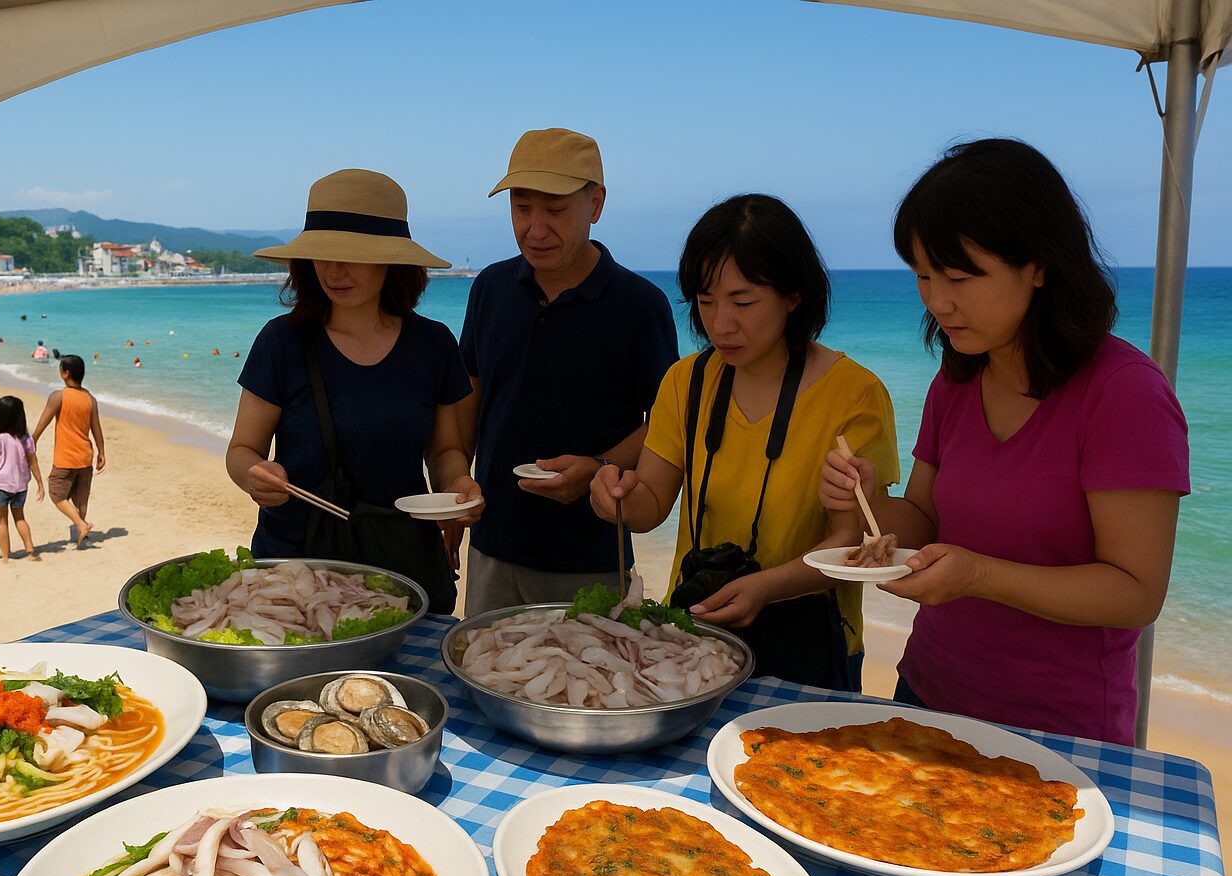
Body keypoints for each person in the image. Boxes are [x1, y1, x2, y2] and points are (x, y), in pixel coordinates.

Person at [820, 139, 1190, 744]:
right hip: (928, 693)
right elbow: (920, 520)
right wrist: (862, 500)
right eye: (923, 276)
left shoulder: (1125, 395)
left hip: (1061, 729)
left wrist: (979, 576)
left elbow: (1135, 592)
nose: (939, 302)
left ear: (1039, 265)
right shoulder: (959, 378)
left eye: (962, 277)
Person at [590, 195, 898, 689]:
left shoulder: (855, 394)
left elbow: (851, 544)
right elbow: (648, 506)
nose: (720, 324)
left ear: (794, 295)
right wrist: (612, 495)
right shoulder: (685, 380)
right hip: (693, 638)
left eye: (743, 301)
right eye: (705, 302)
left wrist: (765, 589)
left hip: (810, 644)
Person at [228, 169, 480, 613]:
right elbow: (243, 449)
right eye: (322, 254)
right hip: (293, 571)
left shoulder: (434, 344)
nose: (334, 269)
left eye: (353, 255)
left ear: (392, 260)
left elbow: (444, 451)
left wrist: (458, 486)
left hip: (400, 568)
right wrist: (255, 475)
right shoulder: (281, 341)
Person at [455, 128, 678, 614]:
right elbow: (469, 395)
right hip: (493, 543)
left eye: (554, 210)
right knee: (485, 677)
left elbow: (669, 422)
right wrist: (455, 483)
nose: (535, 229)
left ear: (595, 204)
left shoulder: (640, 305)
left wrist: (597, 467)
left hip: (593, 553)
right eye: (521, 208)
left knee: (592, 688)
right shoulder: (490, 289)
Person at [33, 354, 105, 548]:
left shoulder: (58, 396)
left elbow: (44, 421)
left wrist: (33, 440)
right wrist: (101, 451)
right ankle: (83, 539)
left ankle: (81, 525)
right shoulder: (90, 399)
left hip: (65, 457)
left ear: (66, 373)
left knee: (57, 493)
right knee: (81, 499)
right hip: (85, 456)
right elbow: (96, 428)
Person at [0, 395, 45, 562]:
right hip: (21, 486)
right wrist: (40, 483)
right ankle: (30, 550)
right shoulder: (26, 439)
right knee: (19, 517)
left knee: (1, 521)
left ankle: (6, 556)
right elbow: (33, 462)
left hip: (2, 486)